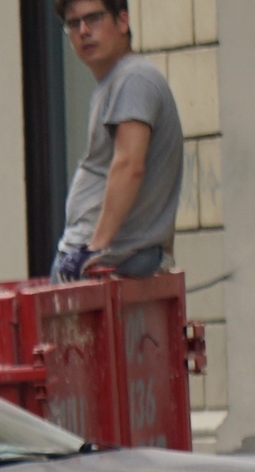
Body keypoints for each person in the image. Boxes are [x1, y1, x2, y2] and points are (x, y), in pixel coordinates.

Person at [48, 0, 183, 281]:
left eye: (94, 18)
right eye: (74, 23)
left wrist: (93, 249)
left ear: (123, 21)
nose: (83, 30)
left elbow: (129, 165)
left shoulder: (133, 79)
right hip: (109, 259)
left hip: (104, 264)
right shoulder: (116, 82)